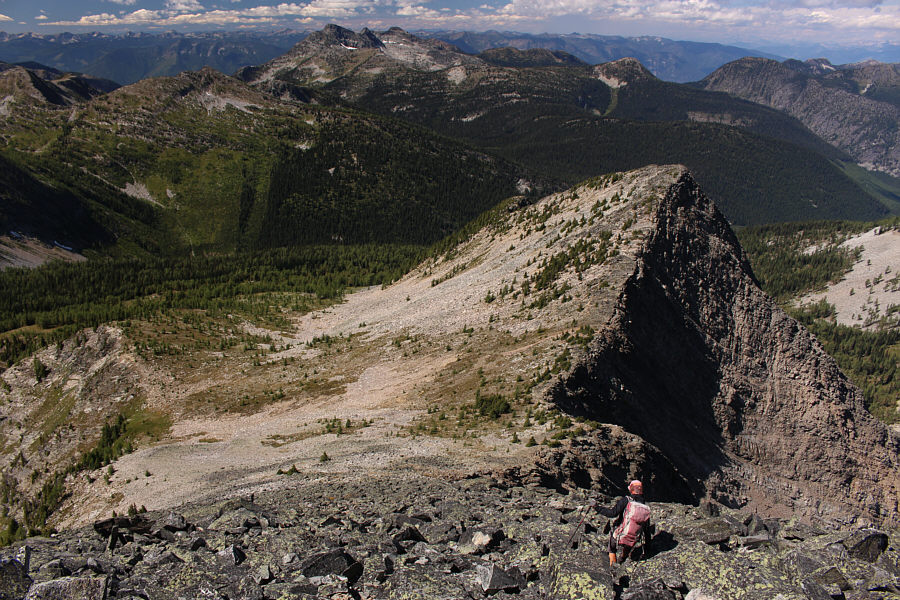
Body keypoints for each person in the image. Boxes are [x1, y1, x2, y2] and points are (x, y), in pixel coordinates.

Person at [590, 479, 652, 566]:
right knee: (628, 543)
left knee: (612, 548)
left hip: (620, 535)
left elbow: (612, 513)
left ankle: (613, 566)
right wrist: (648, 547)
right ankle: (622, 559)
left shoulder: (626, 500)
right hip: (633, 539)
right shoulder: (645, 507)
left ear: (631, 489)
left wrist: (596, 507)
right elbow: (646, 529)